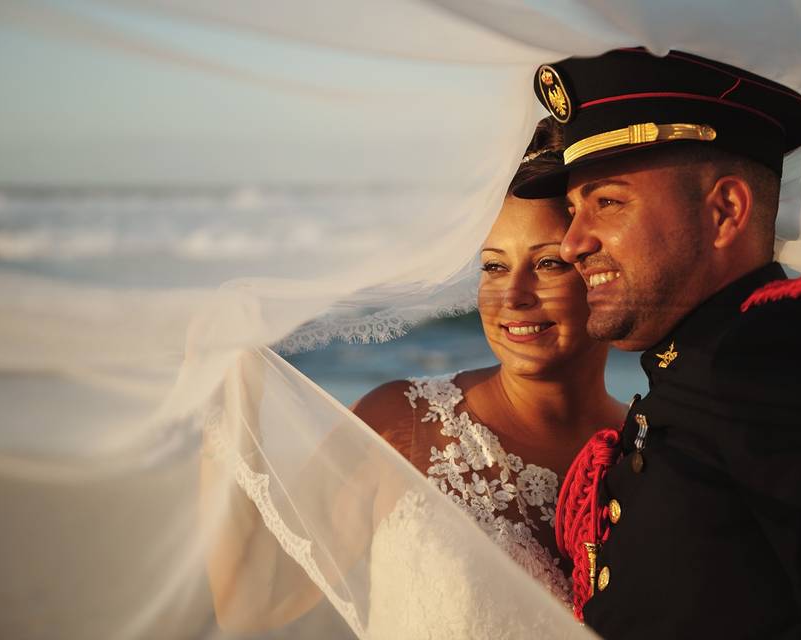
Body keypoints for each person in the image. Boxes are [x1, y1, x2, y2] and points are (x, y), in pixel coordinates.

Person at [514, 48, 801, 638]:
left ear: (725, 212)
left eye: (607, 202)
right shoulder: (703, 371)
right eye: (572, 210)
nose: (572, 242)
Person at [200, 118, 627, 634]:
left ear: (599, 272)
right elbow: (253, 604)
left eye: (548, 265)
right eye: (493, 267)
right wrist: (231, 408)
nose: (512, 295)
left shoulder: (651, 451)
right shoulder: (401, 425)